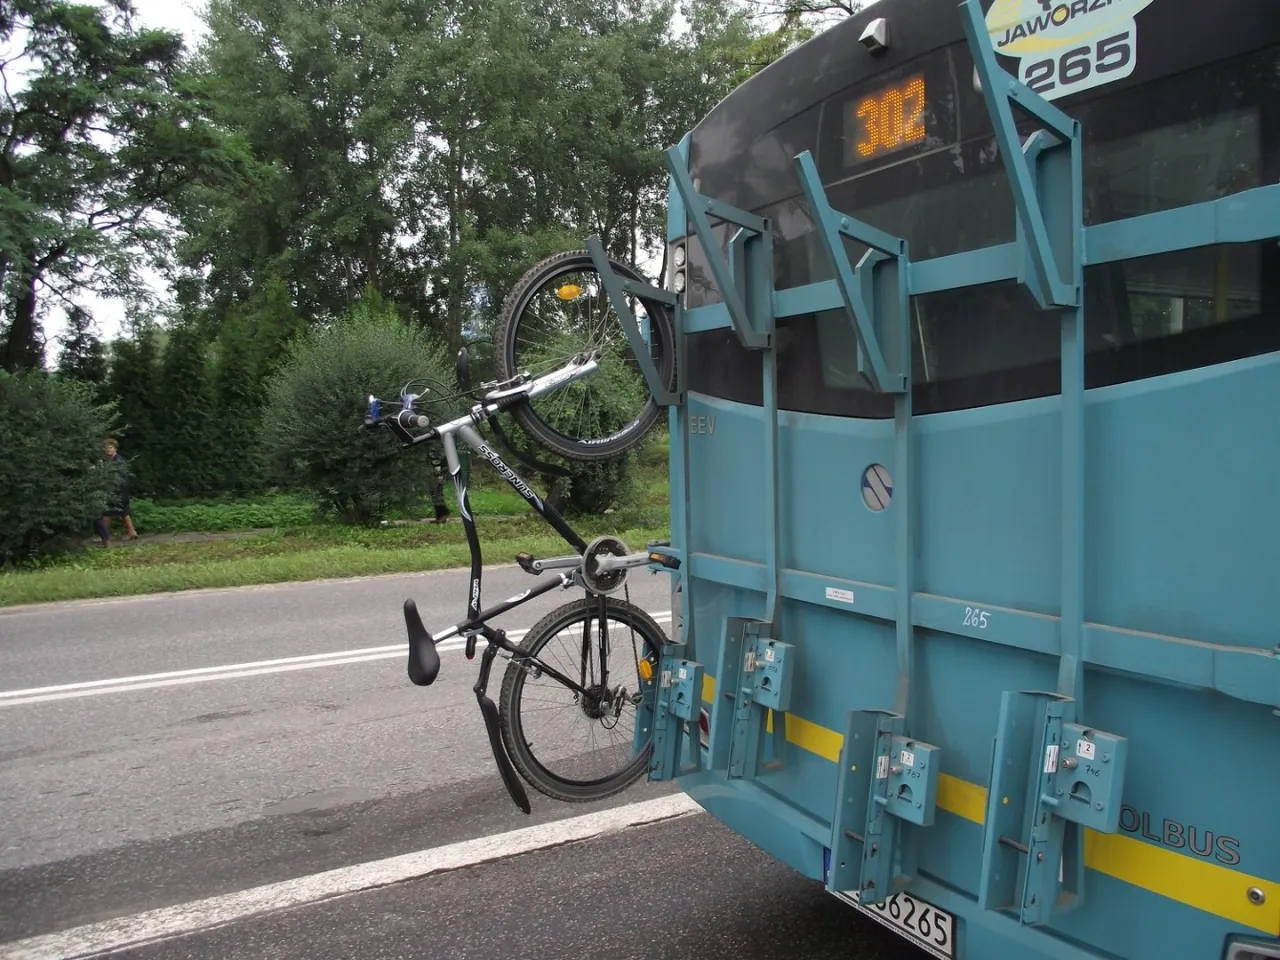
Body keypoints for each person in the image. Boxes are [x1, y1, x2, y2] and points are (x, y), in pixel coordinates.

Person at [96, 438, 138, 546]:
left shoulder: (119, 460)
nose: (108, 450)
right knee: (120, 512)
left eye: (110, 448)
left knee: (111, 512)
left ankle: (105, 537)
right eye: (106, 448)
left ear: (115, 449)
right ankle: (130, 532)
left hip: (119, 490)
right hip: (114, 490)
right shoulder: (107, 460)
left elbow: (120, 477)